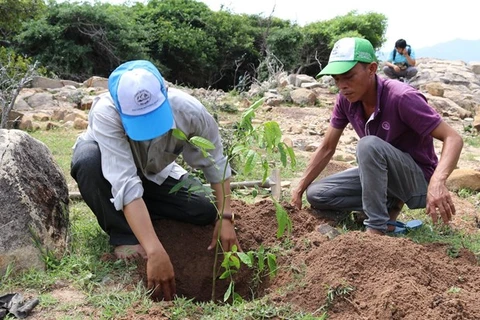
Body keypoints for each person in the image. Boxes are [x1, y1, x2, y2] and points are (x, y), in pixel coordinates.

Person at [70, 60, 240, 300]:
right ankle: (124, 233)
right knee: (87, 161)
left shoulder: (189, 111)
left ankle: (139, 212)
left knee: (203, 208)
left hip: (155, 174)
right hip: (108, 170)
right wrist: (154, 250)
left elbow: (216, 162)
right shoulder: (106, 113)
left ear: (165, 94)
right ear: (120, 108)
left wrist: (225, 216)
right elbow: (125, 181)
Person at [291, 37, 463, 235]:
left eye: (348, 76)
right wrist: (298, 191)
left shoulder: (401, 97)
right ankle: (388, 204)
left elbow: (453, 138)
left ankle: (376, 230)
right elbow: (327, 147)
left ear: (372, 69)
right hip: (384, 176)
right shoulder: (345, 100)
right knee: (317, 194)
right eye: (337, 79)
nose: (342, 85)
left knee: (368, 145)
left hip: (417, 182)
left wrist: (438, 181)